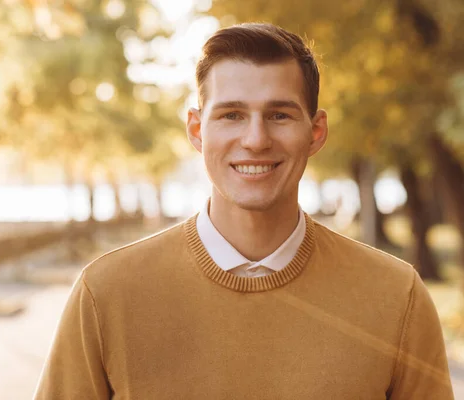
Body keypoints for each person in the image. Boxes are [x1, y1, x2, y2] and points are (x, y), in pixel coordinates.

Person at [33, 22, 454, 399]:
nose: (255, 139)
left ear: (316, 132)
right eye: (232, 114)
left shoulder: (397, 297)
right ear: (198, 130)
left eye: (279, 115)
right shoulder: (105, 295)